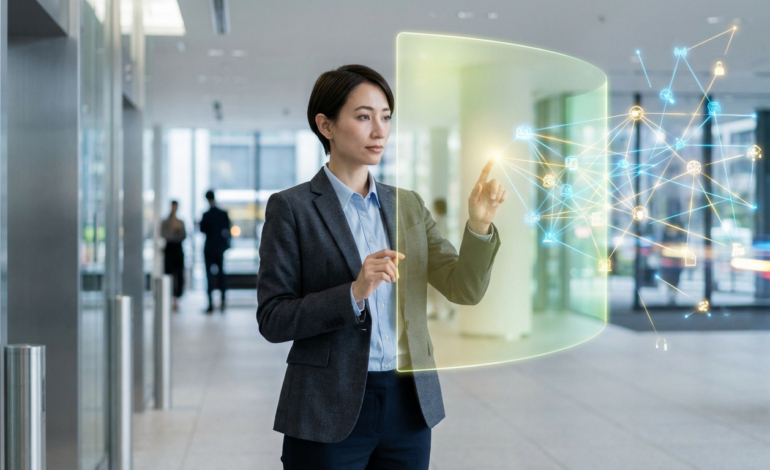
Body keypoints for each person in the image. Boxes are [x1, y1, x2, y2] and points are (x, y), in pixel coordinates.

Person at [256, 65, 507, 470]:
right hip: (327, 405)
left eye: (386, 116)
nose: (379, 130)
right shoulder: (292, 208)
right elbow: (273, 318)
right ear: (326, 126)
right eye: (363, 116)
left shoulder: (406, 205)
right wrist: (353, 293)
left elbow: (465, 288)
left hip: (408, 406)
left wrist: (479, 224)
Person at [200, 190, 231, 313]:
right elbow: (228, 230)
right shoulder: (222, 214)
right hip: (219, 248)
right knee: (221, 274)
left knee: (209, 276)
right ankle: (223, 301)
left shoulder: (206, 215)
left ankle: (211, 303)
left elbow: (202, 229)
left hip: (209, 248)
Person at [161, 200, 186, 311]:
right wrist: (173, 230)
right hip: (169, 251)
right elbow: (164, 235)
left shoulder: (181, 222)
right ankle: (168, 298)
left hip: (178, 251)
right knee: (168, 274)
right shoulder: (165, 222)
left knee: (179, 275)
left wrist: (177, 230)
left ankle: (177, 298)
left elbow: (183, 235)